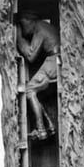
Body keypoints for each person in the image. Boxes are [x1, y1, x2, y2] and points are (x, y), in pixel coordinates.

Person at [16, 11, 61, 141]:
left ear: (30, 21)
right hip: (56, 60)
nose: (24, 31)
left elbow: (30, 56)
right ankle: (50, 126)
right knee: (37, 93)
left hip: (53, 61)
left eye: (24, 26)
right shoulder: (44, 26)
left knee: (29, 89)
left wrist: (19, 38)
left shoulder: (40, 28)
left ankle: (41, 130)